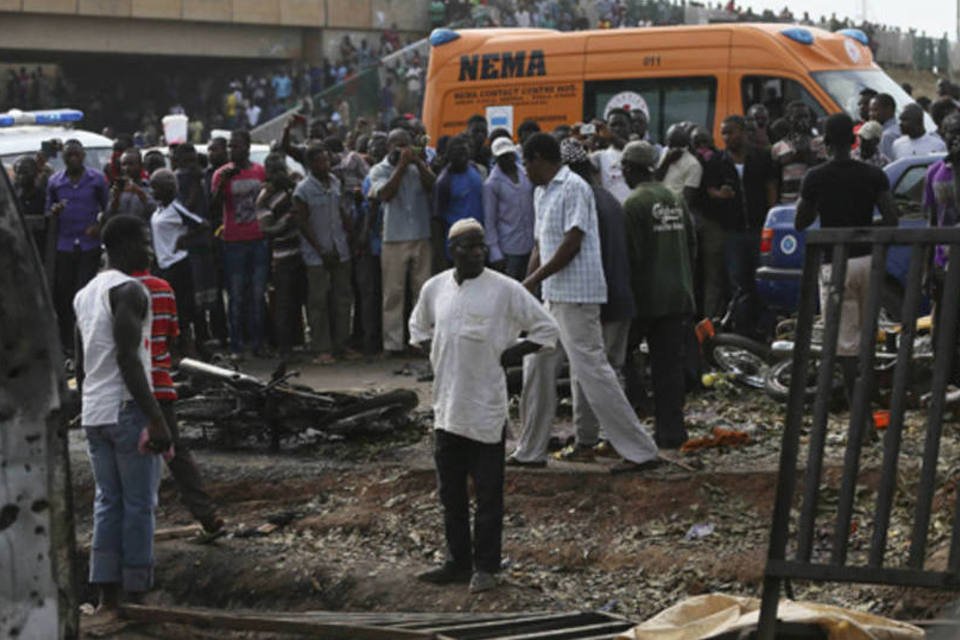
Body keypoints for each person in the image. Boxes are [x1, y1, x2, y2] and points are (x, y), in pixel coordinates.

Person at [410, 218, 559, 593]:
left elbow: (546, 330)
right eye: (468, 246)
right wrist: (442, 355)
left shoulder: (505, 290)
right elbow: (418, 329)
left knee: (489, 495)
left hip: (486, 412)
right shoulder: (435, 288)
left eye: (481, 246)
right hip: (446, 410)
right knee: (451, 495)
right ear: (452, 251)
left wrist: (508, 354)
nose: (477, 252)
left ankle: (487, 567)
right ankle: (457, 562)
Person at [513, 133, 660, 473]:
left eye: (525, 161)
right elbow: (540, 245)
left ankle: (640, 451)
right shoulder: (540, 193)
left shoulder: (573, 187)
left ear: (539, 158)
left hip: (578, 296)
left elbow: (572, 243)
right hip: (553, 296)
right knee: (535, 367)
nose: (524, 169)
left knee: (593, 372)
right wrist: (525, 285)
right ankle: (530, 450)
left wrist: (533, 280)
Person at [73, 215, 173, 621]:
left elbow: (80, 363)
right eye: (145, 242)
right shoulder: (130, 291)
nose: (149, 251)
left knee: (107, 502)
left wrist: (84, 405)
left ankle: (107, 596)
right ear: (128, 244)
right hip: (126, 409)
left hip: (94, 411)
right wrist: (157, 419)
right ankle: (136, 594)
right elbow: (129, 359)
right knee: (138, 503)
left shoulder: (84, 294)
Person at [796, 113, 899, 402]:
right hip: (869, 262)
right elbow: (892, 219)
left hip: (836, 264)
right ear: (854, 140)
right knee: (868, 334)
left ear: (826, 142)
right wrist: (863, 229)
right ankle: (871, 396)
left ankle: (860, 411)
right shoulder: (873, 174)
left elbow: (800, 222)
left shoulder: (816, 177)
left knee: (844, 342)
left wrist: (819, 201)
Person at [132, 264, 223, 541]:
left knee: (127, 459)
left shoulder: (110, 288)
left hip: (127, 389)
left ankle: (133, 530)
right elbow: (173, 335)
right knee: (175, 451)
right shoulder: (162, 288)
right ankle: (206, 514)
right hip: (160, 383)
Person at [621, 141, 697, 449]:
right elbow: (692, 245)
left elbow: (630, 256)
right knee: (669, 368)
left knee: (618, 355)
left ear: (629, 168)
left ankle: (636, 409)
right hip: (678, 294)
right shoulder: (674, 198)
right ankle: (671, 432)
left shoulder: (633, 204)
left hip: (647, 298)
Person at [703, 116, 778, 333]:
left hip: (759, 229)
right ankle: (742, 330)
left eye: (731, 132)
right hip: (733, 232)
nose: (727, 137)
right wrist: (720, 194)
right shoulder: (717, 161)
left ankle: (766, 329)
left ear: (744, 132)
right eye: (724, 133)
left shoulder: (761, 157)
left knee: (762, 281)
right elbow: (709, 190)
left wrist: (770, 218)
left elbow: (771, 187)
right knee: (738, 283)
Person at [368, 128, 436, 355]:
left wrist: (416, 162)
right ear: (388, 147)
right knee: (393, 293)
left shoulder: (418, 168)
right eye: (395, 144)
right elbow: (385, 194)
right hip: (394, 238)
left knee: (422, 291)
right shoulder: (379, 170)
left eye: (404, 144)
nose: (400, 149)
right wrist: (401, 166)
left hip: (420, 234)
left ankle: (420, 340)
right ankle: (392, 344)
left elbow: (432, 185)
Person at [293, 143, 356, 363]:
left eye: (327, 160)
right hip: (316, 254)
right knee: (318, 300)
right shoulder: (302, 190)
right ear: (310, 164)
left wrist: (350, 236)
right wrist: (320, 250)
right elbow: (302, 222)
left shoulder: (335, 182)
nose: (325, 164)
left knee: (342, 298)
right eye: (320, 161)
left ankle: (341, 344)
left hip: (340, 249)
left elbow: (341, 211)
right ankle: (321, 347)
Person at [47, 139, 110, 358]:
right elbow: (48, 212)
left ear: (82, 156)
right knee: (64, 294)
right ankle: (68, 343)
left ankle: (88, 340)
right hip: (64, 246)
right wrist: (54, 211)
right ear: (63, 157)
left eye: (76, 154)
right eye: (68, 155)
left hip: (88, 245)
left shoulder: (97, 180)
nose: (73, 158)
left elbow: (108, 208)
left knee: (85, 292)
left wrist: (99, 226)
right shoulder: (55, 182)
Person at [210, 130, 268, 358]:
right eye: (230, 147)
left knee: (257, 294)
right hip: (234, 242)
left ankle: (258, 344)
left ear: (247, 147)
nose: (233, 151)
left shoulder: (259, 171)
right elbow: (213, 207)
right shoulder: (220, 174)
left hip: (258, 239)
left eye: (237, 146)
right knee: (236, 295)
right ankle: (237, 346)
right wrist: (223, 182)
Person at [149, 168, 208, 353]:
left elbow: (203, 225)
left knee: (182, 309)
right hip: (162, 264)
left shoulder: (176, 208)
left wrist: (184, 239)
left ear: (167, 189)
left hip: (177, 264)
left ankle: (190, 347)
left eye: (156, 188)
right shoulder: (159, 210)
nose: (153, 192)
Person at [256, 152, 304, 360]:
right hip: (282, 254)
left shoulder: (293, 187)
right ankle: (285, 347)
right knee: (284, 302)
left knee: (299, 300)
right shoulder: (265, 197)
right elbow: (266, 229)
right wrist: (287, 222)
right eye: (274, 170)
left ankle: (297, 341)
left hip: (303, 251)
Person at [923, 113, 960, 382]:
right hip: (944, 264)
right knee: (943, 331)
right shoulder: (935, 172)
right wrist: (928, 269)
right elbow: (932, 222)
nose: (955, 138)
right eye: (950, 133)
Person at [483, 136, 535, 281]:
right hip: (509, 247)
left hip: (530, 243)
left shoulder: (526, 174)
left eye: (509, 155)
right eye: (503, 157)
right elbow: (490, 220)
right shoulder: (492, 184)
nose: (507, 160)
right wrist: (495, 252)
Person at [434, 135, 485, 261]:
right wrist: (440, 257)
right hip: (459, 243)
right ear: (450, 155)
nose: (462, 157)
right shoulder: (444, 182)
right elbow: (437, 220)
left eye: (465, 152)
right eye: (458, 153)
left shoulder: (474, 169)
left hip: (478, 237)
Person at [771, 102, 824, 204]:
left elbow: (821, 171)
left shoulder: (820, 143)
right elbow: (775, 180)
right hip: (787, 201)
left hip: (813, 202)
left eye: (806, 116)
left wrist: (807, 146)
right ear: (788, 120)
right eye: (798, 117)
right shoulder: (778, 148)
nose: (803, 121)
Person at [656, 123, 703, 210]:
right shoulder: (664, 152)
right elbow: (655, 180)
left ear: (685, 145)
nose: (671, 149)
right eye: (669, 144)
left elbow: (686, 200)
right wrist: (667, 162)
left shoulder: (694, 165)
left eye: (676, 145)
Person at [591, 108, 633, 204]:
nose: (617, 129)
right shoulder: (600, 156)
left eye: (621, 125)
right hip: (613, 213)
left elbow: (631, 149)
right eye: (613, 125)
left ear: (630, 127)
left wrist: (612, 137)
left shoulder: (641, 149)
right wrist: (578, 139)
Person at [107, 149, 155, 221]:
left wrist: (139, 193)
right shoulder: (117, 189)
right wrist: (116, 199)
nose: (126, 168)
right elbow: (108, 216)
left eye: (130, 164)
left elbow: (156, 211)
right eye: (123, 164)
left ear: (141, 165)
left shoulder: (150, 188)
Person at [870, 93, 900, 161]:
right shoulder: (899, 128)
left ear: (888, 109)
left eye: (875, 110)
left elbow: (887, 165)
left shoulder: (887, 135)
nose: (871, 114)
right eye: (870, 110)